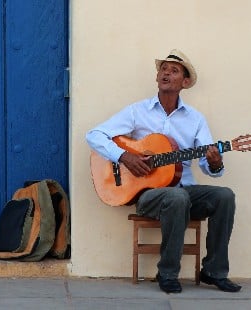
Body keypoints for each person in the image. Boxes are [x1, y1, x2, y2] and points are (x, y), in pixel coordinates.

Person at [86, 49, 241, 294]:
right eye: (163, 69)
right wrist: (125, 156)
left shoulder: (196, 120)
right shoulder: (137, 111)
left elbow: (205, 164)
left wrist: (214, 163)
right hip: (148, 196)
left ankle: (214, 270)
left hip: (185, 191)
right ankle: (167, 273)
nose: (166, 73)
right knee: (175, 197)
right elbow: (94, 135)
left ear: (185, 82)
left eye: (174, 70)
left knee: (224, 196)